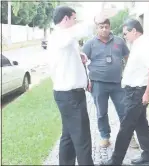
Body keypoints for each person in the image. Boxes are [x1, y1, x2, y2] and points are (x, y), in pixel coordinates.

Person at [100, 18, 149, 165]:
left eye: (126, 33)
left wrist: (147, 92)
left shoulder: (145, 45)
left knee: (126, 127)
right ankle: (148, 156)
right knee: (141, 124)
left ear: (134, 31)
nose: (124, 36)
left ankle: (115, 160)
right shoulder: (138, 44)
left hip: (137, 92)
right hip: (133, 91)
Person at [48, 5, 95, 165]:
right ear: (66, 19)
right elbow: (81, 31)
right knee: (82, 138)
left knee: (68, 136)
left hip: (69, 95)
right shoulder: (60, 35)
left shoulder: (63, 38)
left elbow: (67, 56)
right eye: (74, 18)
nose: (76, 22)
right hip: (70, 96)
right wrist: (96, 19)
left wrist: (79, 56)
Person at [82, 17, 130, 148]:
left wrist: (128, 75)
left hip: (117, 83)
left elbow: (127, 58)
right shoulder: (90, 44)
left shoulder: (119, 42)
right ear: (97, 28)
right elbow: (81, 62)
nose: (104, 29)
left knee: (124, 110)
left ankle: (128, 137)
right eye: (101, 27)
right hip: (98, 84)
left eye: (106, 27)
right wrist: (86, 80)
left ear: (110, 27)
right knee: (101, 112)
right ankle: (105, 136)